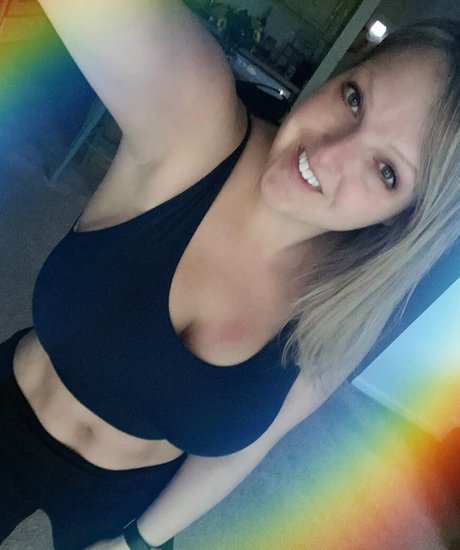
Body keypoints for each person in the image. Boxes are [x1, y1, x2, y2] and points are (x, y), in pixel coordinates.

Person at [0, 1, 459, 548]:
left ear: (403, 217)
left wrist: (136, 543)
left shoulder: (346, 306)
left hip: (129, 501)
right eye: (355, 98)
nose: (330, 154)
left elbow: (245, 449)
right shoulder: (197, 124)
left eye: (386, 171)